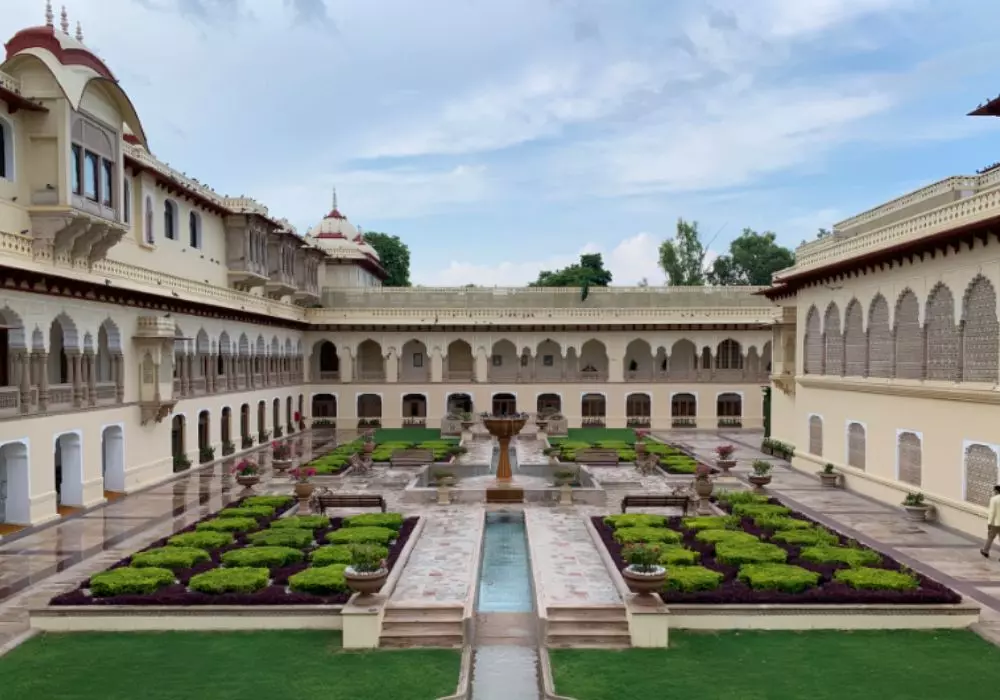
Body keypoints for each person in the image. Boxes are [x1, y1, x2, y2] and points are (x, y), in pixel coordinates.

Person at [982, 484, 1000, 560]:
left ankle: (985, 551)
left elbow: (992, 512)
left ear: (996, 491)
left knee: (990, 537)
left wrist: (989, 523)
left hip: (995, 523)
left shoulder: (994, 499)